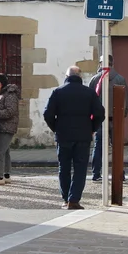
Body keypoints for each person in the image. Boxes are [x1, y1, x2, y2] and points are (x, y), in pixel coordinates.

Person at [44, 66, 105, 210]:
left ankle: (66, 199)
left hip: (63, 135)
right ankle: (74, 199)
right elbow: (100, 113)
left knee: (64, 168)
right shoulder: (89, 93)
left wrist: (56, 128)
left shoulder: (58, 92)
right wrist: (92, 128)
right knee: (80, 168)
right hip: (83, 135)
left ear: (67, 76)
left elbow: (47, 114)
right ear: (80, 77)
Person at [88, 56, 128, 182]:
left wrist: (91, 118)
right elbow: (126, 101)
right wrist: (123, 115)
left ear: (101, 64)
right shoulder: (120, 79)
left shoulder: (95, 79)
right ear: (113, 63)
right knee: (117, 148)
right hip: (116, 118)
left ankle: (96, 173)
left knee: (98, 147)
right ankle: (119, 173)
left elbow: (89, 101)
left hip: (99, 120)